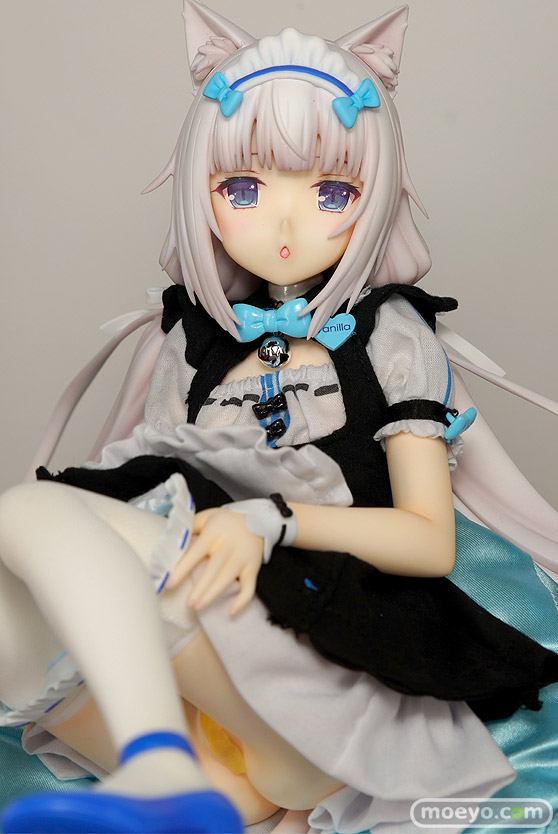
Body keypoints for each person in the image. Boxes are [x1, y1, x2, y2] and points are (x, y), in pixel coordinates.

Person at [1, 2, 557, 832]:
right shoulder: (189, 341)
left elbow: (429, 540)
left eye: (331, 192)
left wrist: (273, 519)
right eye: (243, 189)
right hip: (213, 700)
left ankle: (168, 766)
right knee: (13, 586)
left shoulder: (388, 336)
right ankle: (194, 782)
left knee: (24, 513)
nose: (286, 225)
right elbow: (144, 489)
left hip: (319, 656)